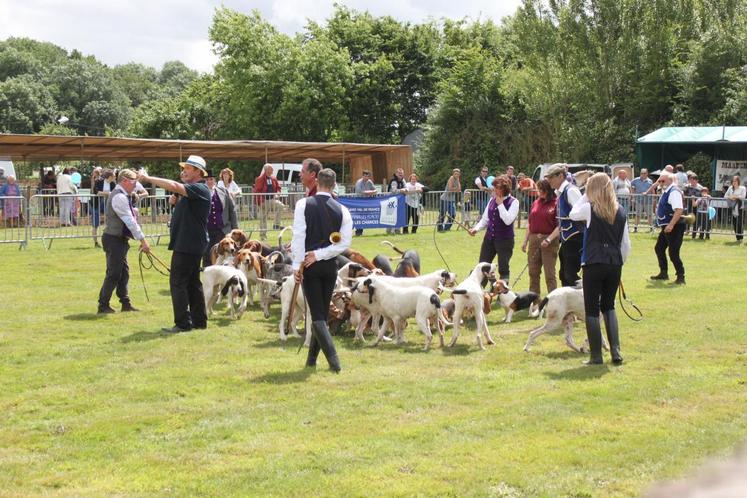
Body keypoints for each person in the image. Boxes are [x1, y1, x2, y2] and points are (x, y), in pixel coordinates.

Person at [138, 155, 211, 333]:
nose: (183, 170)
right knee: (192, 283)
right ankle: (199, 321)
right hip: (191, 243)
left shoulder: (199, 188)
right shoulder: (193, 191)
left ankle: (183, 323)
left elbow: (174, 185)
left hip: (188, 244)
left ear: (198, 172)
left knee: (178, 282)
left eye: (187, 168)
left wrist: (147, 178)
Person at [291, 164, 352, 372]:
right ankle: (311, 360)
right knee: (321, 313)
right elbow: (343, 244)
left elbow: (298, 237)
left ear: (317, 182)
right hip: (330, 266)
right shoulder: (343, 210)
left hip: (310, 265)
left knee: (317, 316)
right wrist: (322, 254)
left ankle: (335, 363)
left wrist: (297, 265)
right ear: (334, 185)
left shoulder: (303, 204)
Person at [569, 173, 631, 365]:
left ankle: (596, 356)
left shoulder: (589, 207)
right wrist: (619, 262)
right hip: (614, 263)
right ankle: (616, 352)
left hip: (593, 262)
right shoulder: (620, 211)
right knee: (609, 306)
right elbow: (625, 244)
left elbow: (573, 214)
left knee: (592, 309)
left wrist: (586, 194)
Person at [97, 169, 151, 314]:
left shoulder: (123, 195)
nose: (136, 185)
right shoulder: (119, 197)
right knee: (114, 273)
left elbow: (130, 214)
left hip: (118, 239)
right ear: (125, 181)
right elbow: (130, 221)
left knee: (123, 272)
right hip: (113, 239)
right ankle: (103, 305)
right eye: (134, 182)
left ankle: (125, 304)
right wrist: (143, 241)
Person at [468, 175, 519, 281]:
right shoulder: (491, 200)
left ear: (505, 189)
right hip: (489, 238)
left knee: (503, 267)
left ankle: (502, 294)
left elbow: (508, 220)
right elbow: (485, 219)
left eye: (497, 188)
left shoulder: (514, 202)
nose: (494, 190)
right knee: (483, 265)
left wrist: (500, 205)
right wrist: (476, 229)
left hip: (505, 240)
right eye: (494, 187)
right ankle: (481, 290)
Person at [520, 179, 559, 305]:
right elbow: (530, 223)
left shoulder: (556, 203)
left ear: (548, 190)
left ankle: (554, 301)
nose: (539, 192)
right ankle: (535, 301)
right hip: (534, 239)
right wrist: (525, 241)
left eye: (542, 190)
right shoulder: (536, 202)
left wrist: (549, 239)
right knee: (533, 272)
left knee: (549, 274)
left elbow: (560, 226)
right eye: (538, 189)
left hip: (549, 240)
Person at [546, 163, 584, 287]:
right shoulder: (561, 192)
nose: (549, 181)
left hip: (575, 237)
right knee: (564, 273)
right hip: (567, 238)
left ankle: (582, 298)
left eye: (551, 177)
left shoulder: (571, 191)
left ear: (561, 176)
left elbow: (582, 213)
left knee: (571, 274)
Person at [650, 171, 686, 285]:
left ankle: (681, 276)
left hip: (675, 226)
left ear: (670, 181)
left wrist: (671, 224)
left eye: (662, 181)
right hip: (667, 226)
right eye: (659, 181)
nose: (660, 183)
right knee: (659, 248)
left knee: (673, 253)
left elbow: (679, 210)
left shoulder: (674, 192)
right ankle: (663, 273)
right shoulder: (667, 191)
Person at [203, 169, 238, 267]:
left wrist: (235, 229)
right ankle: (207, 274)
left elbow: (233, 210)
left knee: (223, 254)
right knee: (206, 254)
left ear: (214, 180)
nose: (209, 181)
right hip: (207, 229)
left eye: (211, 179)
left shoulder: (224, 191)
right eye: (207, 180)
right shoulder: (201, 193)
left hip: (222, 229)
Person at [253, 164, 284, 240]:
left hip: (272, 199)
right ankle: (263, 236)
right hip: (264, 201)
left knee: (281, 206)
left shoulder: (273, 178)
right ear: (267, 170)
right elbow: (257, 192)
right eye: (271, 169)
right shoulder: (260, 179)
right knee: (263, 219)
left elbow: (278, 188)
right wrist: (260, 203)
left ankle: (276, 225)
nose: (273, 170)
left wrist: (277, 193)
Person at [91, 168, 115, 248]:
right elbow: (97, 192)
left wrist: (106, 194)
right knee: (95, 224)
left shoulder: (113, 184)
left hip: (108, 204)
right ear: (109, 176)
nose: (115, 177)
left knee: (109, 223)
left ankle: (109, 241)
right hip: (96, 204)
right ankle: (96, 242)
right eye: (113, 176)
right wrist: (109, 193)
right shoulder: (98, 181)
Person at [353, 170, 376, 236]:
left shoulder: (370, 182)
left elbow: (375, 190)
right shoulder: (359, 182)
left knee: (364, 216)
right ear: (362, 176)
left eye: (368, 176)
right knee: (359, 217)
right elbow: (359, 191)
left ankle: (361, 231)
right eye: (365, 176)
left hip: (366, 202)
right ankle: (358, 232)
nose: (366, 177)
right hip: (359, 201)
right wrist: (370, 192)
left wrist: (372, 192)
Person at [724, 175, 746, 242]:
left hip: (740, 208)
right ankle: (737, 238)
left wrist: (735, 196)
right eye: (733, 181)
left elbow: (743, 197)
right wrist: (730, 197)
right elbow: (725, 196)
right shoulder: (730, 188)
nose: (734, 182)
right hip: (732, 208)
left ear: (738, 181)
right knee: (734, 223)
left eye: (735, 181)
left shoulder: (743, 188)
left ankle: (741, 238)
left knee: (739, 223)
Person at [683, 174, 704, 238]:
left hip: (698, 206)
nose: (691, 182)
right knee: (687, 218)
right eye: (691, 180)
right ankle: (686, 230)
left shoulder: (700, 188)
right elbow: (684, 194)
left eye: (693, 180)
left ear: (697, 180)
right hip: (688, 205)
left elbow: (702, 196)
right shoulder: (687, 187)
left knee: (696, 220)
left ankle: (694, 234)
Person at [386, 168, 406, 234]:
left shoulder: (403, 181)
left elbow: (406, 188)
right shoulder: (394, 181)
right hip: (391, 201)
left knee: (398, 215)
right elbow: (393, 190)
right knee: (391, 216)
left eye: (402, 173)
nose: (400, 174)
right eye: (399, 173)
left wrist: (404, 190)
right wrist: (401, 190)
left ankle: (397, 230)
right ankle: (390, 231)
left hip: (399, 202)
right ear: (396, 174)